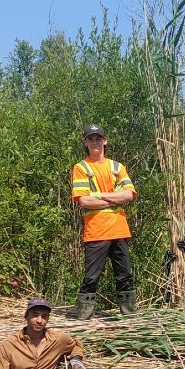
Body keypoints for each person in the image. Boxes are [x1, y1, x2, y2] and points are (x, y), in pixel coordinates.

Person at [68, 125, 137, 319]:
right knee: (91, 277)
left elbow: (128, 195)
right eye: (91, 139)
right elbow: (84, 200)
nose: (95, 142)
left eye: (99, 139)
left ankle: (129, 316)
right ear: (85, 143)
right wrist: (114, 196)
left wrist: (98, 195)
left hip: (119, 229)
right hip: (96, 230)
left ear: (105, 141)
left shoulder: (117, 166)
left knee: (125, 275)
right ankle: (84, 316)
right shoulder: (81, 167)